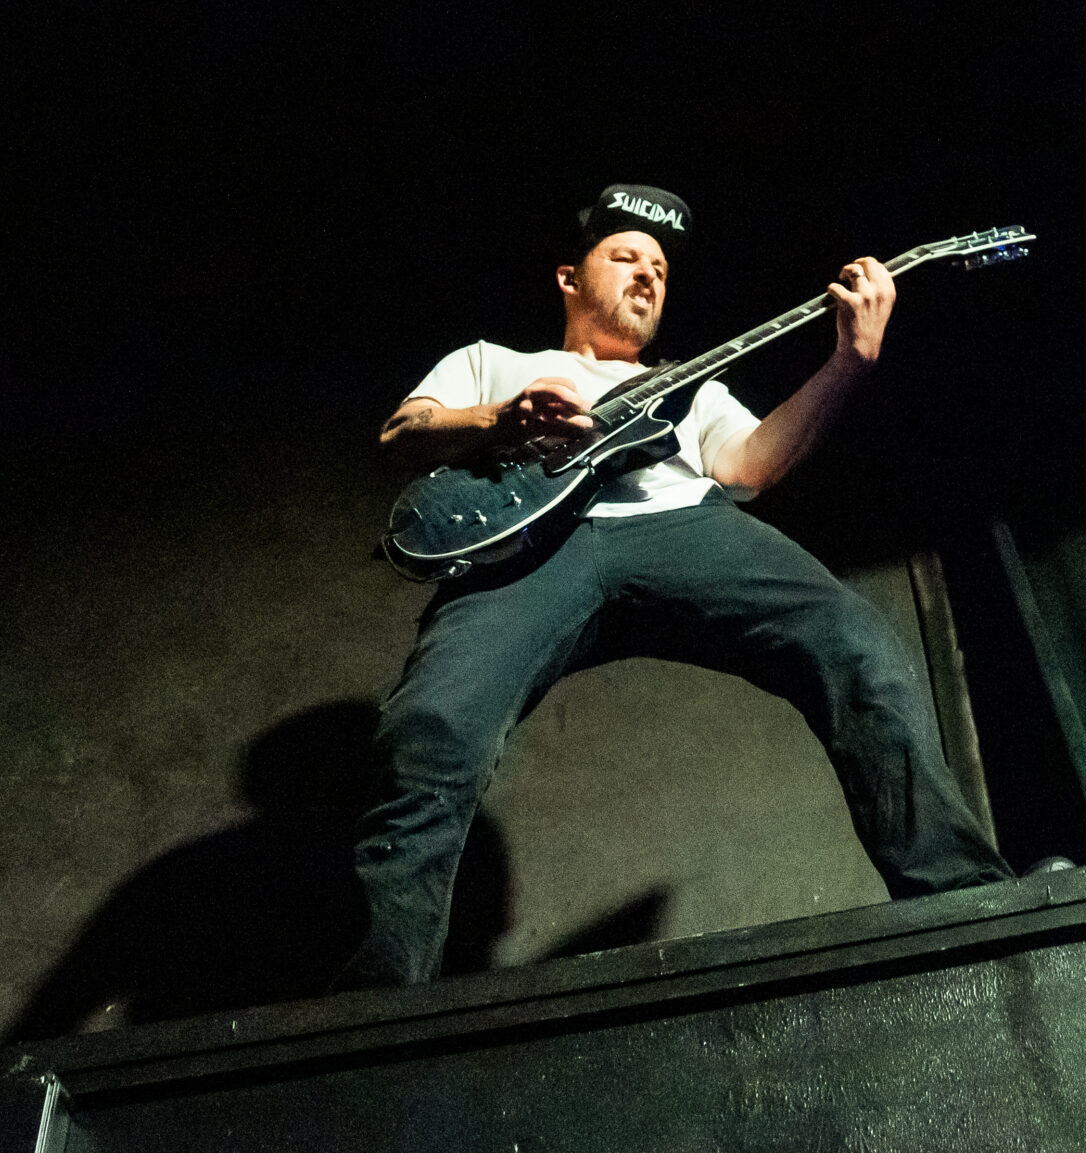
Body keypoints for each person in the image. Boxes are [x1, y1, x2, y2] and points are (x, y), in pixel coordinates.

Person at [336, 183, 1011, 989]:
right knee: (431, 724)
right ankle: (377, 999)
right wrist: (500, 418)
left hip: (681, 521)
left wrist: (849, 363)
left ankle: (967, 900)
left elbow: (751, 466)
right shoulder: (494, 362)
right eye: (626, 256)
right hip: (528, 549)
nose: (647, 275)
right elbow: (401, 433)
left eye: (659, 268)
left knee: (857, 647)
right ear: (568, 278)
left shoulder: (690, 385)